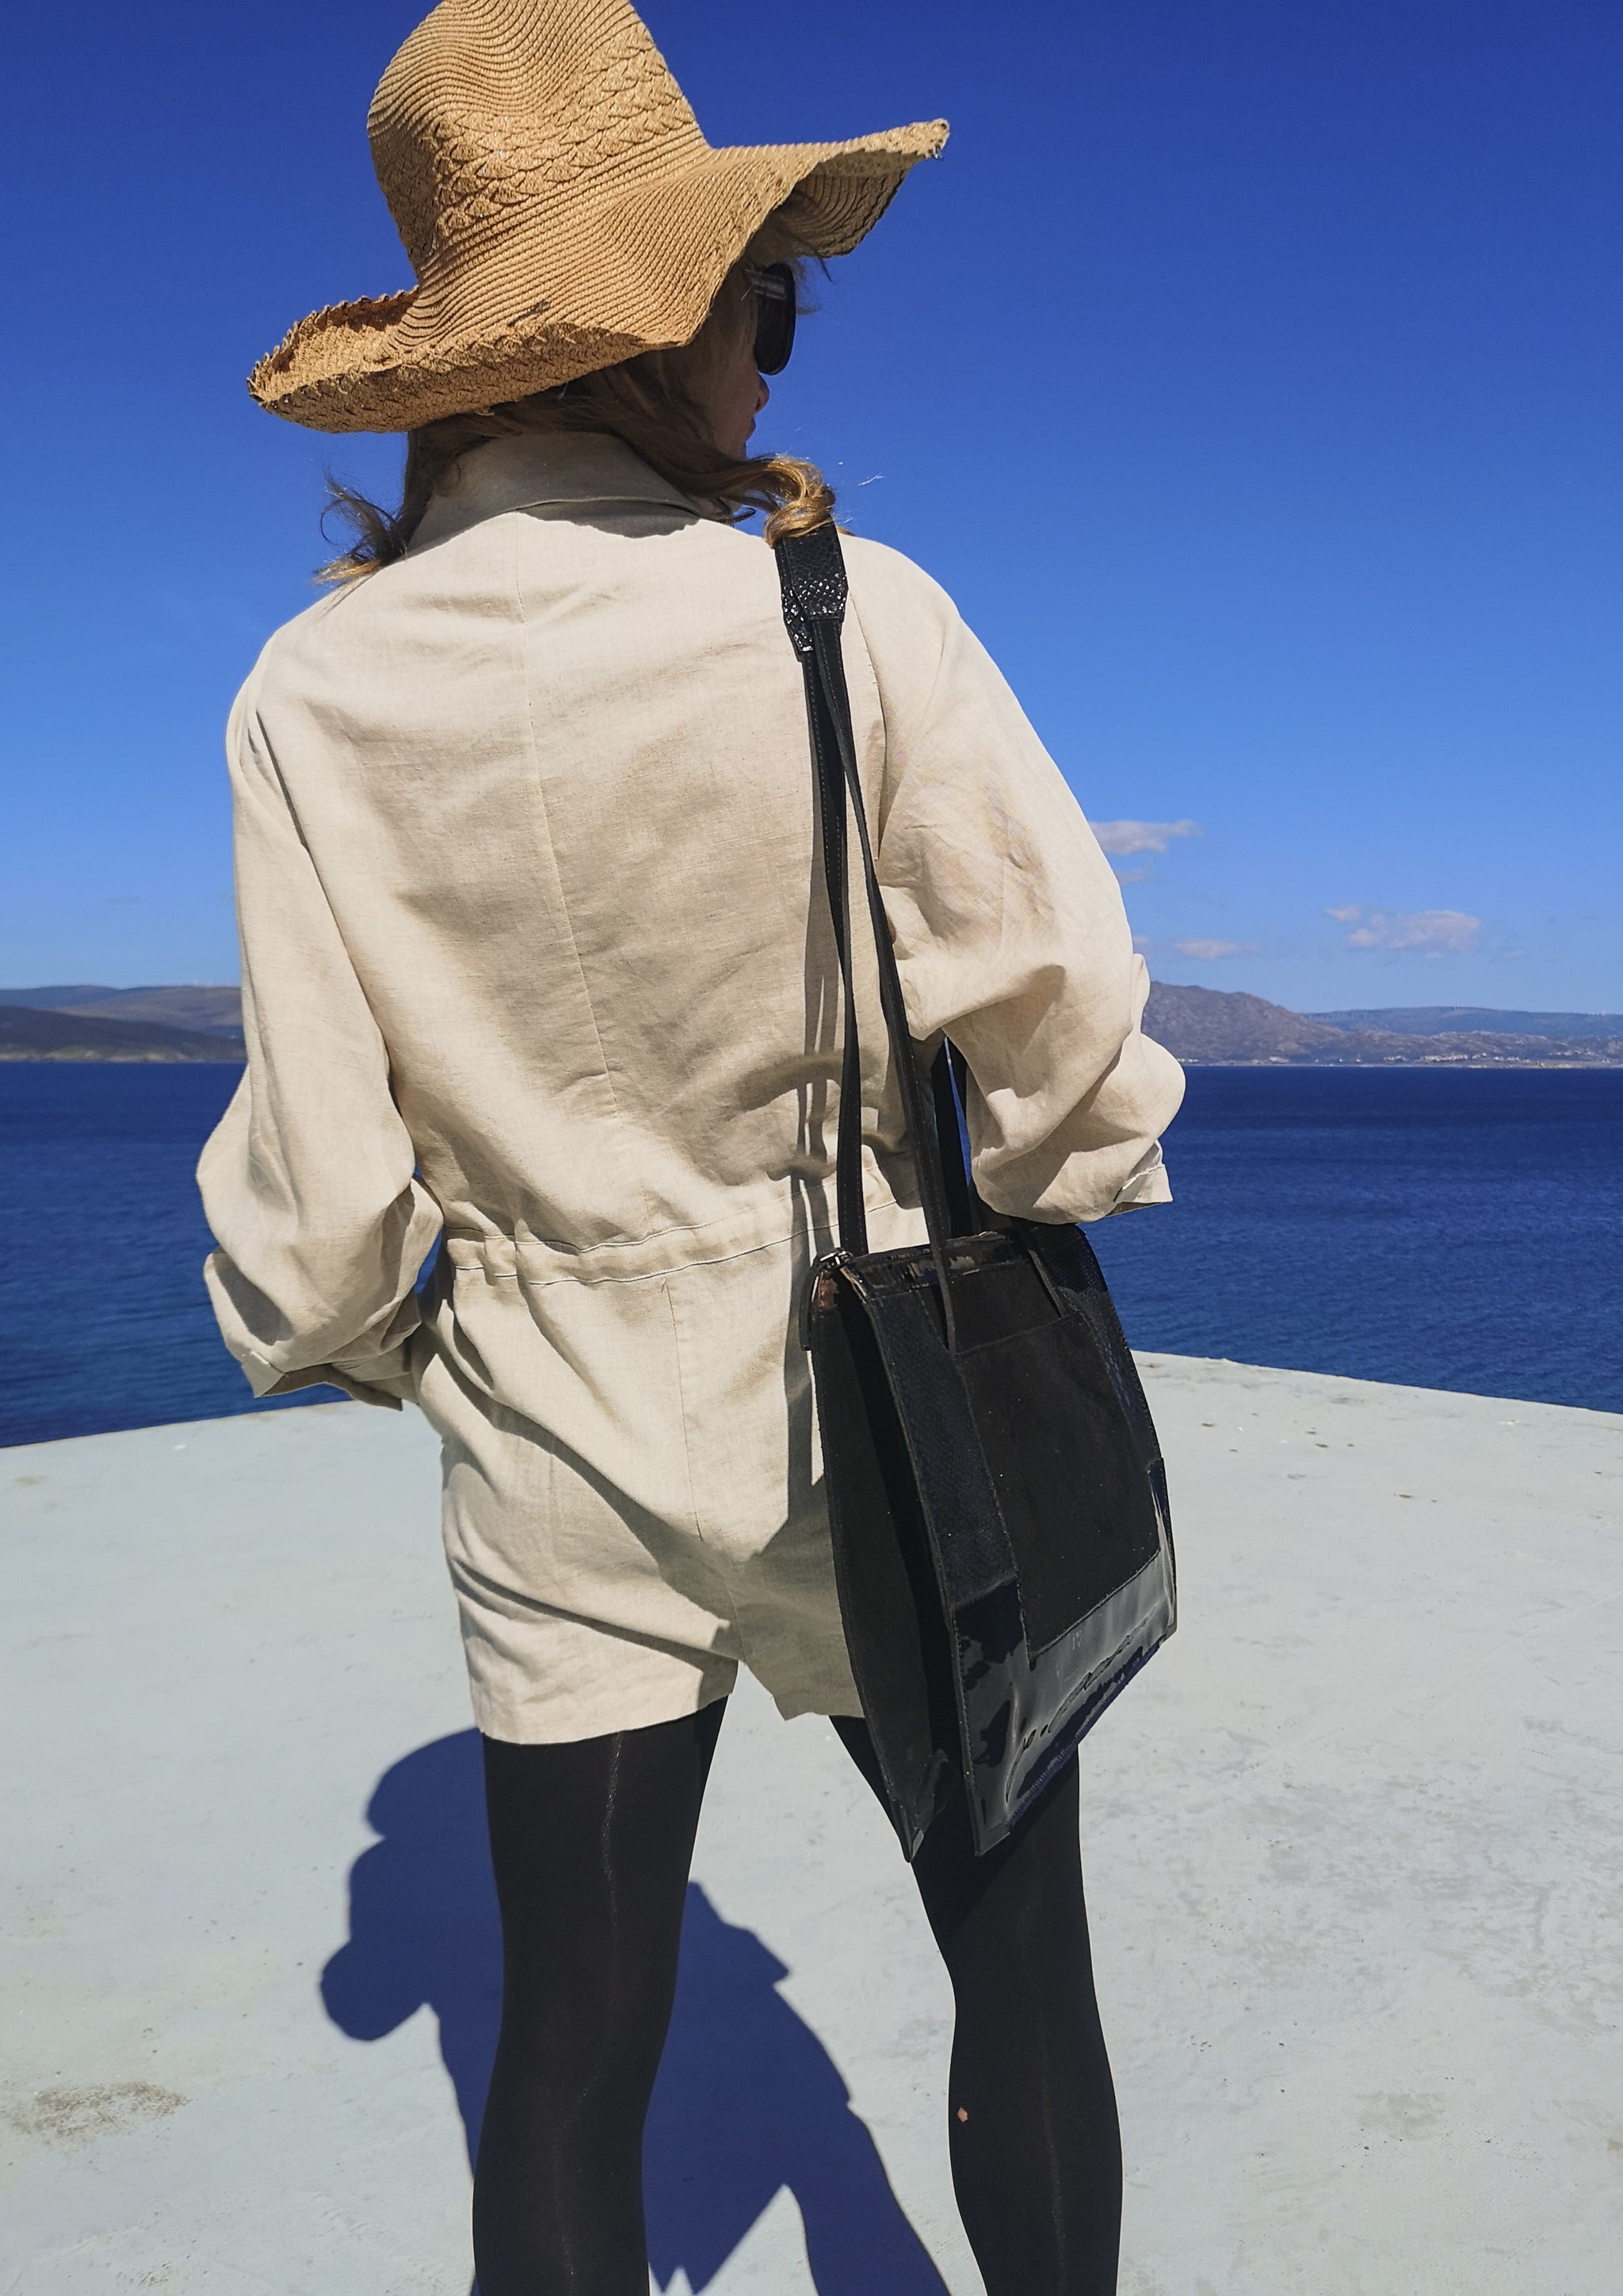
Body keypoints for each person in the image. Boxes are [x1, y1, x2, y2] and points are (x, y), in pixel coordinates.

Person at [200, 2, 1185, 2290]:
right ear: (662, 326)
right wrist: (1042, 1183)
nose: (780, 352)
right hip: (891, 1414)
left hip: (547, 1428)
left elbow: (324, 1208)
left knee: (565, 2046)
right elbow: (1067, 1036)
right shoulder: (841, 607)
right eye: (765, 298)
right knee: (1020, 1972)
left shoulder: (312, 693)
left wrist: (400, 1338)